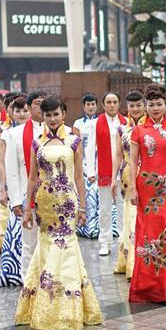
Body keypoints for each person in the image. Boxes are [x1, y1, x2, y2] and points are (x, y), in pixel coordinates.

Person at [15, 97, 103, 330]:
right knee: (46, 249)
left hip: (67, 205)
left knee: (67, 249)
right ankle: (47, 305)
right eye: (48, 115)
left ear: (64, 114)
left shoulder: (74, 141)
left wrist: (83, 206)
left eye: (56, 114)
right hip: (45, 206)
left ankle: (68, 309)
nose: (52, 119)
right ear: (42, 116)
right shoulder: (37, 143)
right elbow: (33, 178)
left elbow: (78, 177)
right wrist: (28, 209)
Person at [127, 85, 166, 303]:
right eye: (151, 104)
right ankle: (148, 287)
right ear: (146, 106)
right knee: (147, 231)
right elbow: (133, 162)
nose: (155, 108)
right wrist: (132, 187)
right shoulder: (139, 131)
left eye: (159, 103)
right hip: (146, 186)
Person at [0, 97, 32, 287]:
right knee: (17, 230)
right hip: (17, 187)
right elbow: (4, 164)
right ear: (11, 112)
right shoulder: (7, 134)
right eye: (18, 111)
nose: (22, 114)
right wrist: (3, 189)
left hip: (33, 186)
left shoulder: (40, 132)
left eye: (25, 110)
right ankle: (14, 272)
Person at [112, 90, 145, 279]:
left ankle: (137, 264)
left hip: (145, 177)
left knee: (137, 219)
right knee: (128, 219)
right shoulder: (122, 129)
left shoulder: (150, 128)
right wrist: (114, 178)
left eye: (139, 105)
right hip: (126, 178)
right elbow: (117, 155)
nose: (135, 109)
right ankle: (128, 262)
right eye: (132, 106)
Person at [95, 92, 125, 257]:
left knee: (122, 209)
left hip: (123, 173)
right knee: (105, 210)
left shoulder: (126, 123)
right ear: (103, 105)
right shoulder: (96, 123)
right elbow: (90, 148)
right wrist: (91, 171)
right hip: (104, 173)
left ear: (119, 104)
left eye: (114, 102)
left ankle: (123, 242)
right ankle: (104, 243)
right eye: (108, 102)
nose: (112, 105)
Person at [0, 93, 19, 253]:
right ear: (6, 109)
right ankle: (3, 240)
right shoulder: (1, 130)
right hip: (6, 172)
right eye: (12, 107)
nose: (17, 111)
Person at [72, 93, 100, 239]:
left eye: (93, 104)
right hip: (83, 163)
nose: (91, 107)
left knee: (98, 196)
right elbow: (78, 145)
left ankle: (98, 227)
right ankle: (85, 227)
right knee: (85, 195)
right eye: (88, 104)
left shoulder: (101, 121)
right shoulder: (78, 123)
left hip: (99, 162)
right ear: (83, 106)